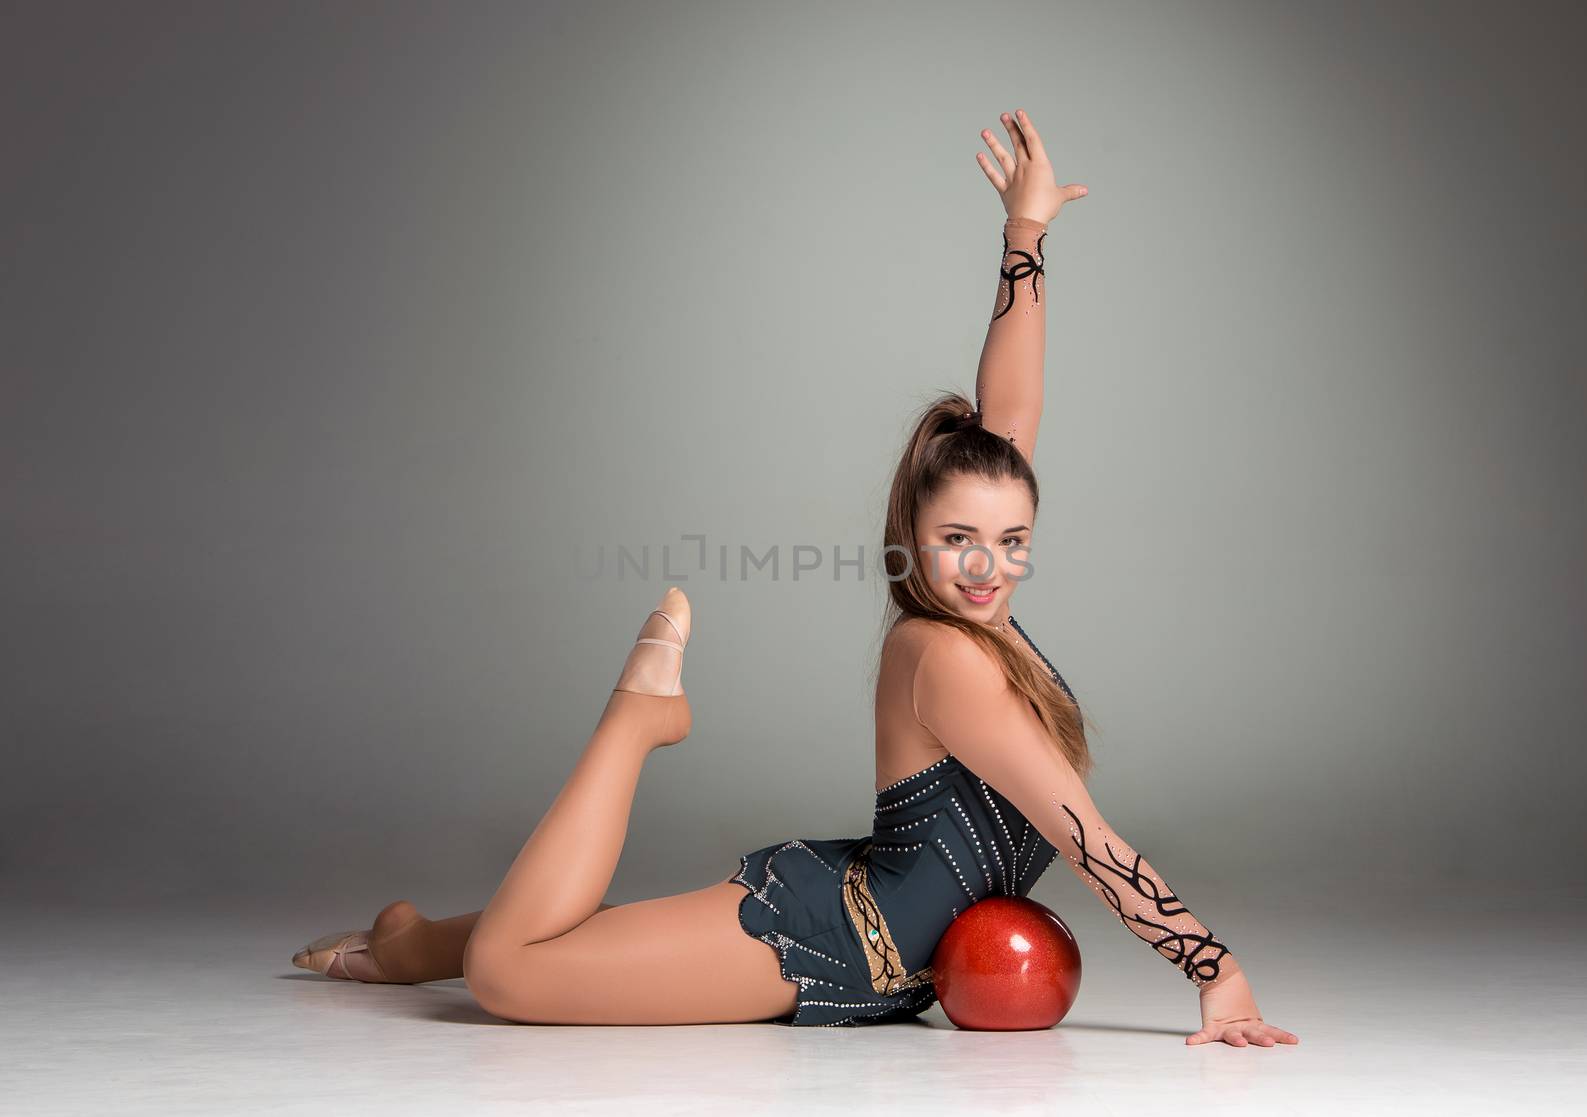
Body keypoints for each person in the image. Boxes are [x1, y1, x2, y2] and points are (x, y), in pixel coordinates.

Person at [291, 108, 1298, 1047]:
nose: (987, 565)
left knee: (574, 947)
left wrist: (1025, 231)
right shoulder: (941, 652)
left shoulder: (982, 595)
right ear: (912, 531)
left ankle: (414, 941)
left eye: (1010, 538)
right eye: (958, 541)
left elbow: (1011, 407)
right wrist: (1212, 966)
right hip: (830, 937)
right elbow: (1078, 833)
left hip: (889, 941)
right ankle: (637, 720)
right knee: (515, 976)